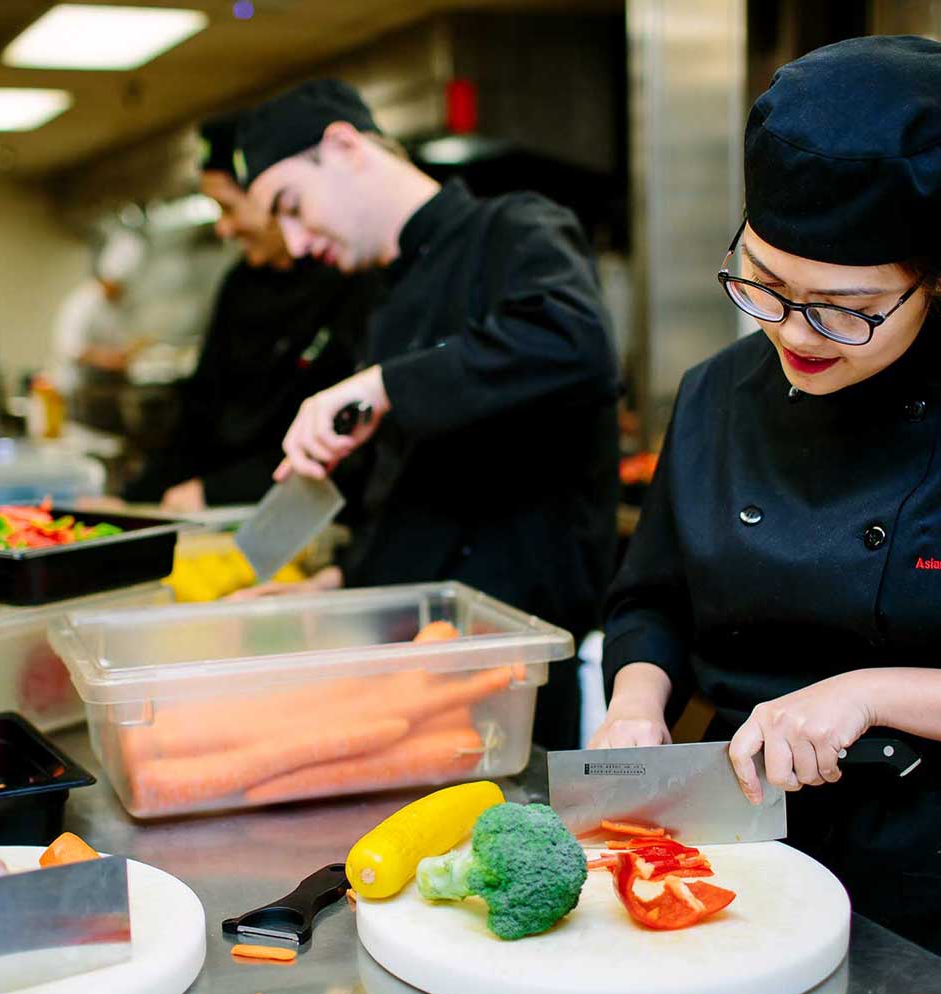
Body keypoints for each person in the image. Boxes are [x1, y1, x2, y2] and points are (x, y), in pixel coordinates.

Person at [595, 35, 941, 965]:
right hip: (737, 854)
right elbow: (653, 599)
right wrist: (635, 706)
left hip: (940, 878)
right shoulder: (718, 393)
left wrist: (873, 693)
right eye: (763, 284)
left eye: (843, 307)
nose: (794, 335)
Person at [234, 80, 620, 750]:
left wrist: (384, 385)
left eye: (292, 206)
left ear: (344, 147)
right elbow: (413, 487)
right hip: (409, 660)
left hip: (510, 664)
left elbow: (574, 345)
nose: (294, 243)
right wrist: (338, 586)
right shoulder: (376, 297)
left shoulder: (515, 228)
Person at [122, 110, 378, 511]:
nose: (223, 229)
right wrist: (131, 501)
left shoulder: (350, 278)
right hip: (225, 514)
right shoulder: (241, 283)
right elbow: (200, 409)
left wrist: (217, 491)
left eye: (229, 207)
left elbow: (351, 447)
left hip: (308, 507)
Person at [50, 228, 149, 430]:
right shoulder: (83, 301)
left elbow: (118, 343)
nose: (122, 292)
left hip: (107, 392)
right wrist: (108, 359)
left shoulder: (118, 306)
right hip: (79, 392)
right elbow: (68, 346)